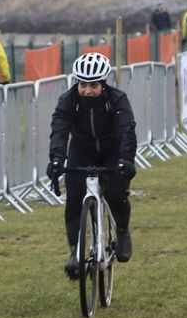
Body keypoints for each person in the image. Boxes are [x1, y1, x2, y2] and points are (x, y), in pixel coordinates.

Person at [47, 52, 137, 276]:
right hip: (82, 150)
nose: (88, 90)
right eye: (83, 84)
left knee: (117, 195)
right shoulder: (68, 100)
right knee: (74, 200)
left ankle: (123, 231)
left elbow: (127, 130)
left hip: (112, 151)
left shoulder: (117, 99)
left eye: (93, 85)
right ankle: (74, 252)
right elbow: (59, 129)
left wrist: (126, 159)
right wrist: (57, 158)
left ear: (103, 83)